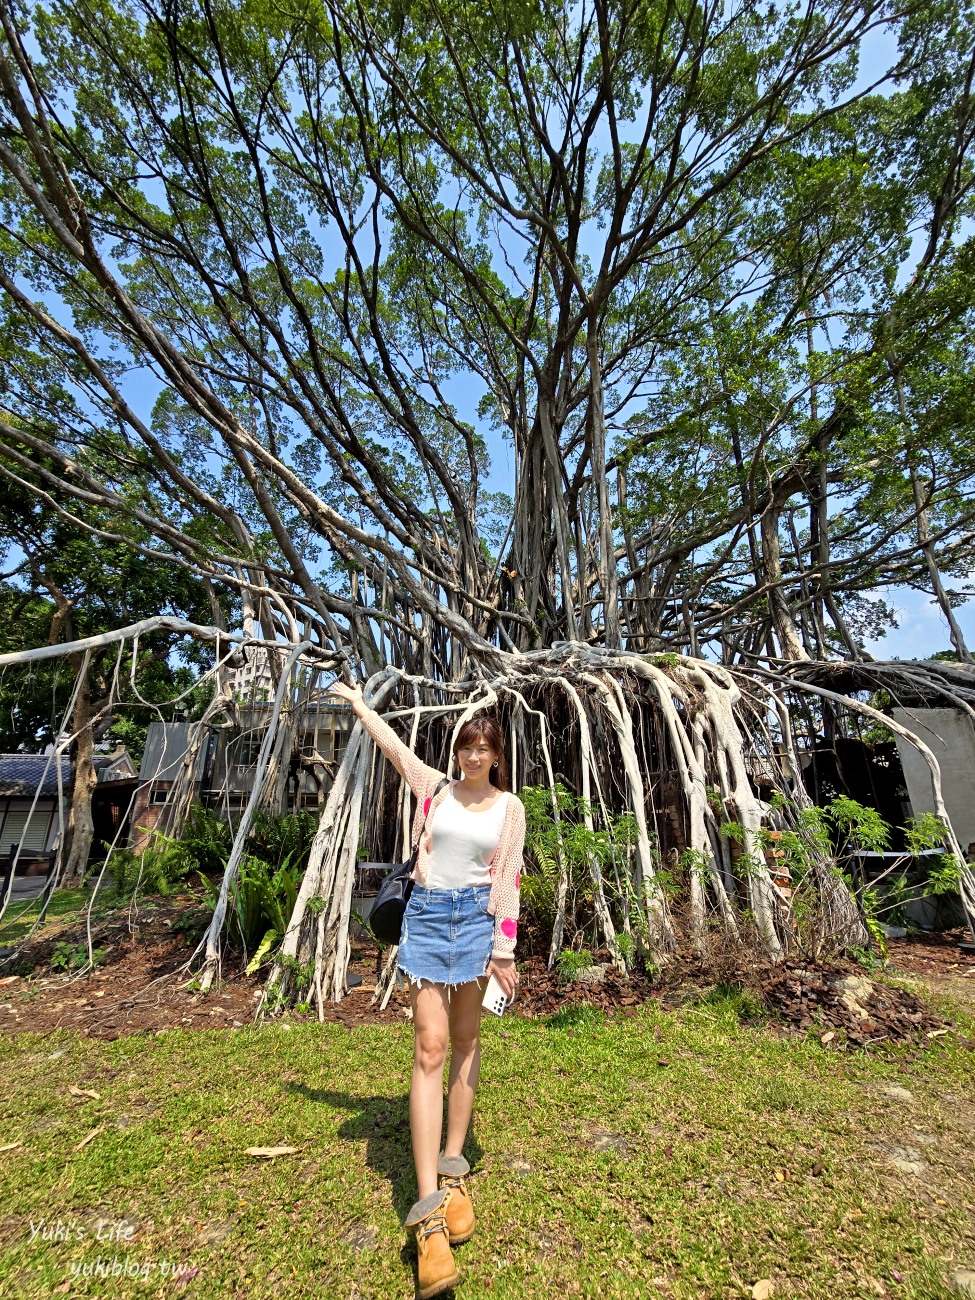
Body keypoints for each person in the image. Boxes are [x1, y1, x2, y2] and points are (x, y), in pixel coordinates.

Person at [328, 681, 525, 1300]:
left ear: (496, 755)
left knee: (466, 1043)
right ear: (457, 750)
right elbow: (391, 748)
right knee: (430, 1048)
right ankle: (429, 1209)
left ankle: (454, 1165)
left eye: (483, 748)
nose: (472, 756)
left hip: (476, 923)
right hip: (426, 919)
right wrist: (361, 706)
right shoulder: (433, 788)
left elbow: (509, 880)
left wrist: (505, 950)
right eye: (465, 746)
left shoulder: (509, 808)